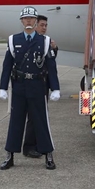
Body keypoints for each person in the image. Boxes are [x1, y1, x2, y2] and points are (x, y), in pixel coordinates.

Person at [0, 6, 60, 170]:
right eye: (25, 18)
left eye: (31, 19)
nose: (28, 21)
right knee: (15, 121)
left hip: (37, 86)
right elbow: (7, 65)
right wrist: (3, 87)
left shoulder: (45, 41)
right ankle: (9, 155)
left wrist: (55, 88)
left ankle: (48, 155)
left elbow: (51, 66)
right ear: (21, 21)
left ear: (35, 21)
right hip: (19, 86)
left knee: (41, 121)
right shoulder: (13, 40)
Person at [22, 14, 58, 157]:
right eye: (42, 25)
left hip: (44, 84)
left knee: (41, 116)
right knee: (33, 116)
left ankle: (38, 145)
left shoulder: (46, 41)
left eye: (46, 26)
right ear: (35, 25)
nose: (44, 28)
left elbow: (50, 62)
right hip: (33, 84)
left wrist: (55, 49)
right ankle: (29, 147)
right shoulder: (30, 42)